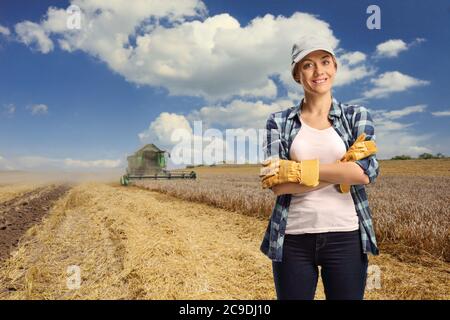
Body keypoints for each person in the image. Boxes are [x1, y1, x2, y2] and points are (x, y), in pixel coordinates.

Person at [259, 35, 380, 300]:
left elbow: (363, 173)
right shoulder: (279, 122)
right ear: (296, 75)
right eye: (307, 65)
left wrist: (298, 170)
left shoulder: (356, 116)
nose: (318, 71)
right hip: (291, 239)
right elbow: (278, 185)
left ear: (335, 67)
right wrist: (341, 169)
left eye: (325, 61)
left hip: (345, 237)